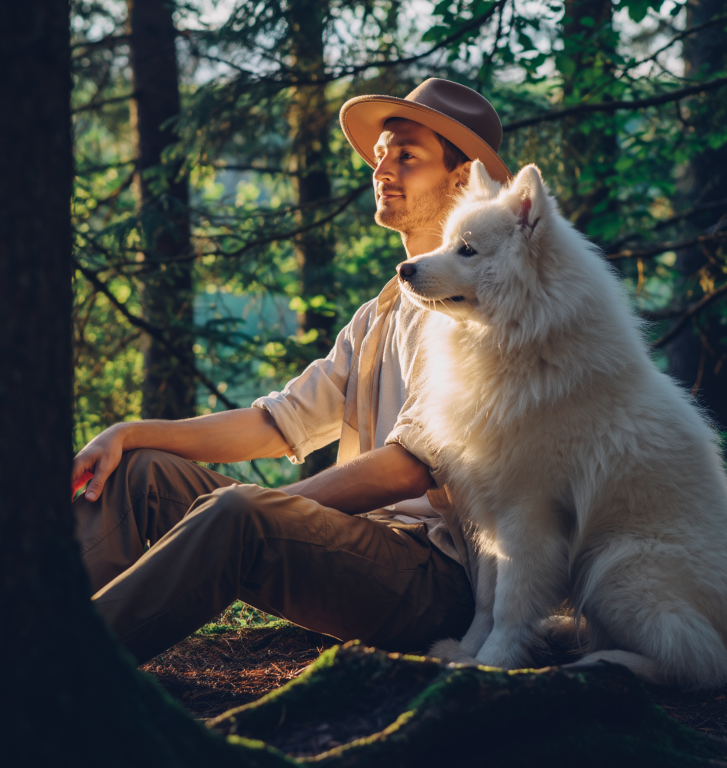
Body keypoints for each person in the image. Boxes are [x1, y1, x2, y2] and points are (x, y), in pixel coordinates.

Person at [71, 78, 513, 665]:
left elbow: (411, 467)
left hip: (438, 584)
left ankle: (55, 671)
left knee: (237, 512)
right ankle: (57, 622)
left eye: (407, 156)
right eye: (381, 156)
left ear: (461, 179)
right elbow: (275, 424)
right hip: (360, 550)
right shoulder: (378, 315)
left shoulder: (474, 311)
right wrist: (128, 432)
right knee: (141, 471)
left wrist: (272, 506)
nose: (382, 170)